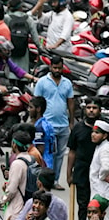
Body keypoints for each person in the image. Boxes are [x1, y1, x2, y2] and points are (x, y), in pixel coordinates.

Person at [34, 55, 75, 189]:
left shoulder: (67, 83)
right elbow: (36, 102)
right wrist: (36, 121)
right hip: (47, 125)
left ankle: (55, 180)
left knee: (59, 155)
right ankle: (44, 180)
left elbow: (71, 103)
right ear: (50, 67)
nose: (57, 70)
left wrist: (71, 121)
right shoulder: (42, 82)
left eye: (59, 67)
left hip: (63, 125)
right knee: (46, 152)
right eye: (55, 67)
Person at [69, 102, 100, 220]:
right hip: (81, 172)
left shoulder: (104, 129)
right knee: (83, 205)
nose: (91, 110)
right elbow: (72, 152)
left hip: (100, 174)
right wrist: (69, 173)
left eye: (94, 108)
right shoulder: (78, 128)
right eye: (89, 108)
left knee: (98, 204)